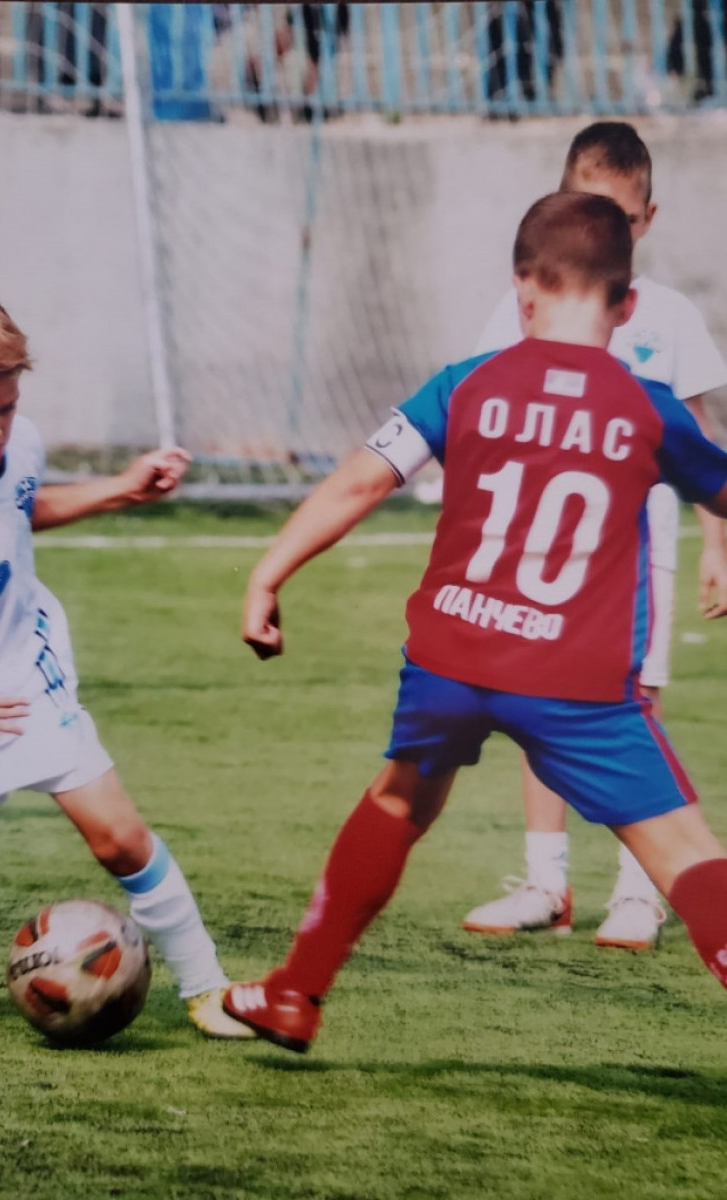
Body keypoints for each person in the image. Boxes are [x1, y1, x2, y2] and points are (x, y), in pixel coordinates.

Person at [221, 192, 727, 1053]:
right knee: (683, 852)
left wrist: (269, 573)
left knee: (399, 799)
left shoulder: (466, 382)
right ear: (627, 303)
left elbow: (361, 480)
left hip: (452, 661)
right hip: (576, 683)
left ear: (522, 288)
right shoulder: (650, 409)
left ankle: (296, 992)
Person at [0, 291, 254, 1040]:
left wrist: (122, 490)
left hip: (26, 676)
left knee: (120, 837)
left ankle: (206, 987)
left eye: (7, 407)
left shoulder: (17, 442)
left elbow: (19, 509)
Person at [464, 121, 727, 951]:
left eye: (622, 217)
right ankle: (546, 883)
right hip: (542, 557)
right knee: (536, 702)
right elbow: (490, 414)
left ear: (648, 219)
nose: (603, 231)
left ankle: (640, 892)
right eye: (588, 210)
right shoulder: (520, 308)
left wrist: (717, 545)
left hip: (636, 559)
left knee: (632, 708)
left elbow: (700, 441)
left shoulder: (669, 316)